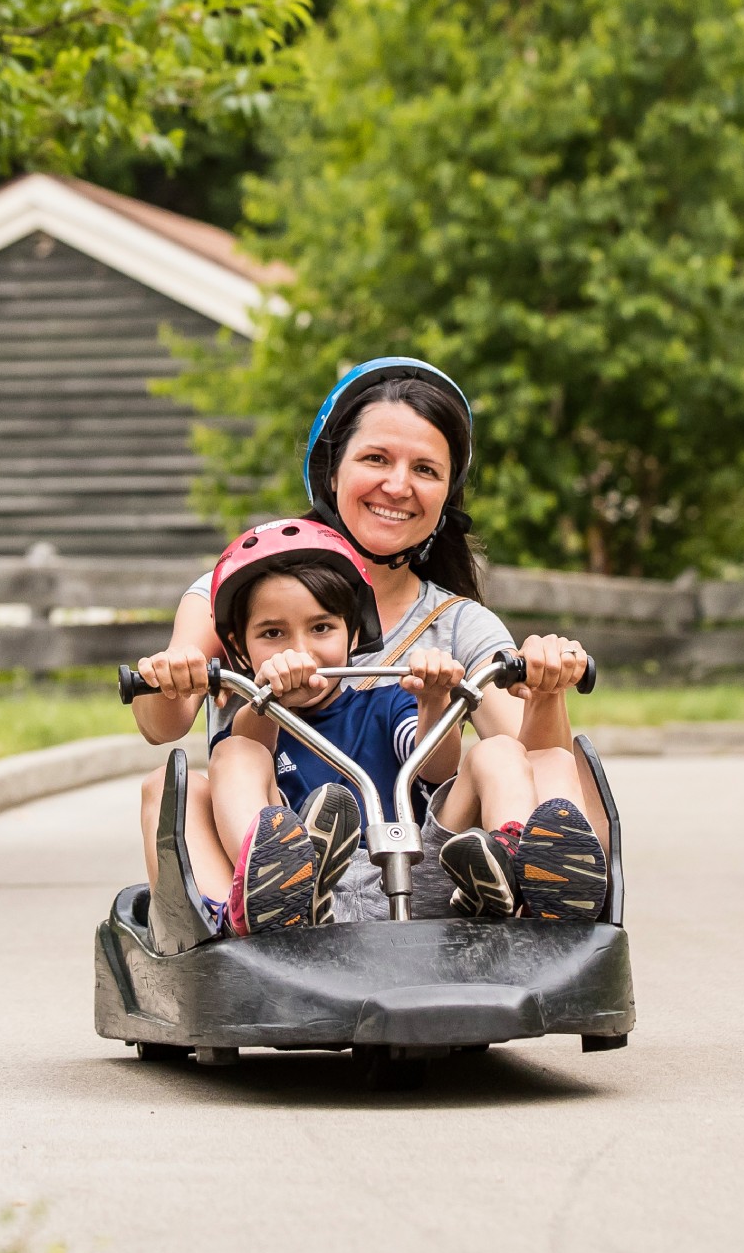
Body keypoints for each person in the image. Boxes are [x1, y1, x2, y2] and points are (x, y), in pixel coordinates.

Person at [131, 357, 609, 920]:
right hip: (286, 844)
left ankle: (545, 912)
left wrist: (547, 687)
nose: (398, 485)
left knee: (556, 765)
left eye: (426, 470)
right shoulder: (240, 588)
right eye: (376, 459)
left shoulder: (458, 623)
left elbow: (522, 752)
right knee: (168, 786)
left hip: (425, 864)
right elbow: (161, 727)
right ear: (332, 470)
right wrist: (176, 670)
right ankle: (239, 914)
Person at [203, 517, 465, 934]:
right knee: (230, 756)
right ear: (239, 647)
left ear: (354, 631)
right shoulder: (254, 728)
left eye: (321, 628)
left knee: (494, 754)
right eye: (273, 633)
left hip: (406, 882)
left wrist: (434, 699)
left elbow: (436, 769)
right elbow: (247, 745)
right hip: (306, 902)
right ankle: (266, 889)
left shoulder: (386, 702)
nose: (300, 652)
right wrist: (267, 694)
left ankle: (515, 882)